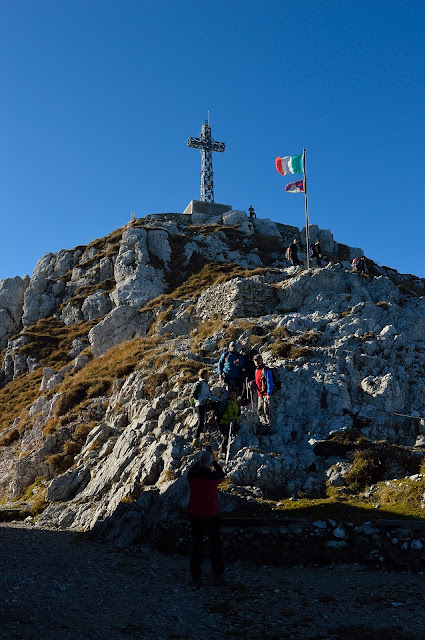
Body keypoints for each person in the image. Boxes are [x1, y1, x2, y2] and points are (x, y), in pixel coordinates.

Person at [187, 448, 226, 588]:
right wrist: (214, 461)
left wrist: (201, 461)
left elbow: (191, 470)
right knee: (215, 545)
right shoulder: (214, 478)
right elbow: (222, 473)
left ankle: (196, 576)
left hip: (196, 515)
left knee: (196, 545)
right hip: (212, 515)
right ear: (210, 464)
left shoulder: (193, 477)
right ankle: (218, 575)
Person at [192, 369, 220, 446]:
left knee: (218, 405)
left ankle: (214, 419)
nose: (209, 375)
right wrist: (202, 400)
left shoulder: (206, 384)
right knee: (201, 422)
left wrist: (219, 400)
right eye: (207, 374)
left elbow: (210, 396)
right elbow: (194, 395)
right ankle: (195, 439)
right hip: (200, 405)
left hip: (206, 404)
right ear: (204, 375)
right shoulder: (199, 384)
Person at [253, 354, 273, 432]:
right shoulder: (257, 371)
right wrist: (252, 382)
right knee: (260, 410)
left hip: (265, 394)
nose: (257, 362)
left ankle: (268, 425)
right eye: (255, 361)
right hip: (260, 394)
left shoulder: (266, 370)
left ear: (261, 360)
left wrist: (269, 393)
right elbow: (258, 381)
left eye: (258, 360)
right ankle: (263, 423)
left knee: (267, 410)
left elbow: (269, 382)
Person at [218, 388, 240, 455]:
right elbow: (220, 413)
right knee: (226, 436)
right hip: (223, 422)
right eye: (231, 393)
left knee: (237, 428)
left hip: (232, 422)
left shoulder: (236, 403)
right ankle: (222, 451)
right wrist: (228, 417)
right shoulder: (226, 402)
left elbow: (238, 413)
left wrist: (235, 419)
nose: (233, 395)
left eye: (234, 393)